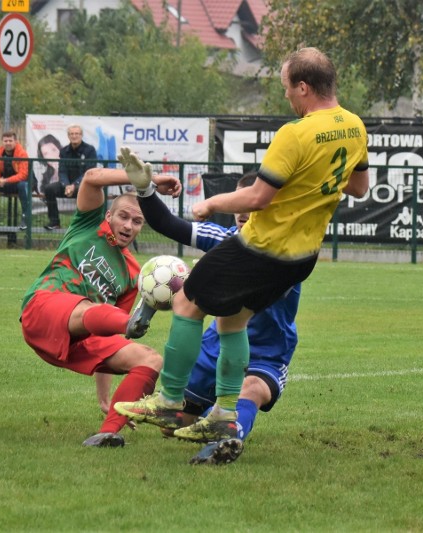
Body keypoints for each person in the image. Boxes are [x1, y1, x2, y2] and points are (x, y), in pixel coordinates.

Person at [115, 47, 370, 461]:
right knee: (233, 321)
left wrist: (212, 204)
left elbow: (259, 196)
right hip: (302, 258)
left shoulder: (296, 132)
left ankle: (168, 400)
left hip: (264, 247)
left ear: (303, 87)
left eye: (288, 87)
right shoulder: (355, 127)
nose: (287, 95)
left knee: (185, 299)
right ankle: (223, 413)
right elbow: (358, 188)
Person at [104, 170, 301, 465]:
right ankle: (203, 414)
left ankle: (228, 438)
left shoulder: (287, 256)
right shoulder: (226, 240)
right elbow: (169, 224)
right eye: (237, 202)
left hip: (267, 354)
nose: (242, 212)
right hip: (212, 350)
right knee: (175, 430)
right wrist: (145, 189)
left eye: (251, 204)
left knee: (251, 390)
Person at [20, 148, 181, 448]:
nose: (128, 226)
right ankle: (133, 321)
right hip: (44, 308)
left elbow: (107, 333)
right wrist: (149, 182)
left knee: (150, 359)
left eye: (136, 222)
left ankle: (109, 431)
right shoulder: (88, 224)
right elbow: (92, 179)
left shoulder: (134, 274)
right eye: (123, 216)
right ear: (109, 215)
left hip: (78, 337)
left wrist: (104, 397)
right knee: (93, 311)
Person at [43, 124, 97, 230]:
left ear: (81, 135)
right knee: (49, 189)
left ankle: (84, 224)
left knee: (89, 192)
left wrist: (75, 185)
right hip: (67, 185)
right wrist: (67, 185)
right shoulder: (64, 151)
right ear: (68, 136)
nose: (74, 136)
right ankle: (54, 222)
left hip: (84, 186)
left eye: (77, 134)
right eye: (71, 134)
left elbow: (88, 172)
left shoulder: (90, 150)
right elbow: (62, 171)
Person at [0, 131, 30, 230]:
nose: (8, 143)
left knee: (22, 185)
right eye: (5, 141)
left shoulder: (22, 153)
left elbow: (23, 175)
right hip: (7, 183)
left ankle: (26, 216)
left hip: (24, 183)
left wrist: (6, 180)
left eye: (10, 140)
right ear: (2, 142)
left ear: (16, 141)